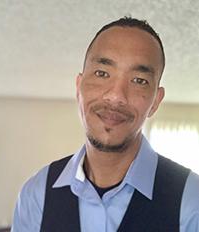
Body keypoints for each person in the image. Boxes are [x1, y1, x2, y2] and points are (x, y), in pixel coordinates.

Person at [11, 17, 199, 232]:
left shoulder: (192, 201)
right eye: (102, 74)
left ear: (156, 100)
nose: (116, 96)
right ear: (79, 87)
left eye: (139, 80)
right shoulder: (36, 195)